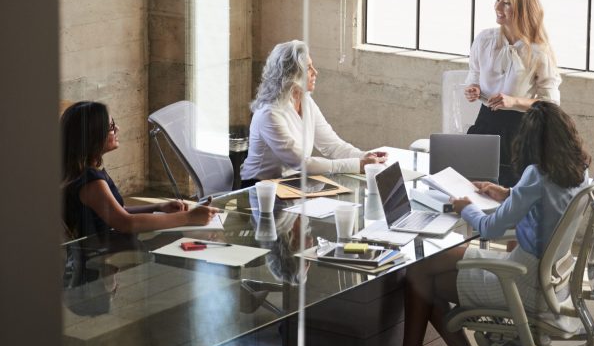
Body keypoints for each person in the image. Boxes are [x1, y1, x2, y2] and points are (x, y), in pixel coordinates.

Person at [370, 101, 591, 346]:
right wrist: (508, 194)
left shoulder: (536, 174)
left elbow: (490, 229)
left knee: (420, 276)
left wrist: (466, 207)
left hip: (521, 281)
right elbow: (545, 203)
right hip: (546, 276)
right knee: (426, 268)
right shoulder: (578, 172)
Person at [62, 101, 218, 242]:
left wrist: (158, 207)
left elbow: (118, 211)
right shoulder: (91, 181)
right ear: (93, 136)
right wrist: (188, 217)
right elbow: (125, 223)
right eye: (111, 126)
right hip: (99, 260)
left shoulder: (87, 172)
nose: (117, 128)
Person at [240, 40, 387, 183]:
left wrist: (363, 156)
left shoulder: (306, 101)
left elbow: (332, 145)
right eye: (308, 68)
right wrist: (358, 165)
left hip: (291, 184)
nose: (315, 72)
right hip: (257, 188)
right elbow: (302, 163)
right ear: (291, 75)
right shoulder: (270, 114)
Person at [464, 0, 561, 187]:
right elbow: (474, 73)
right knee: (473, 190)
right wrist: (473, 88)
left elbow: (551, 105)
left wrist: (513, 101)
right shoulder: (484, 39)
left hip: (519, 131)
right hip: (485, 125)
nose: (497, 6)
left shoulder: (539, 51)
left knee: (510, 196)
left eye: (506, 2)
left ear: (523, 8)